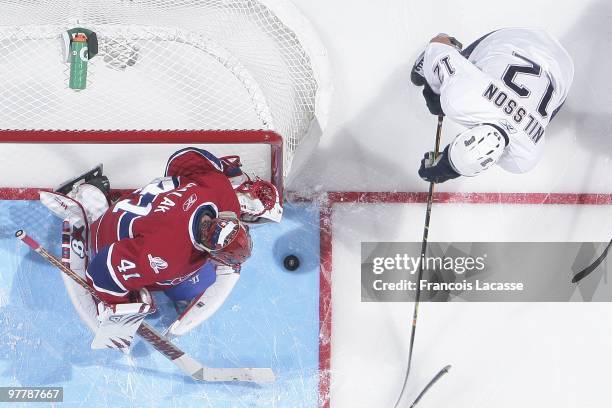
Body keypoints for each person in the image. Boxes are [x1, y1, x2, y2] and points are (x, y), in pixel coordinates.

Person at [40, 147, 282, 349]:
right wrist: (122, 304)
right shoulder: (167, 257)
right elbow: (102, 271)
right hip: (107, 240)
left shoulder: (220, 189)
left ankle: (95, 197)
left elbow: (184, 158)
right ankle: (93, 210)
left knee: (184, 269)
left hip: (133, 211)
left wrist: (173, 202)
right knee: (191, 284)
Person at [411, 28, 574, 183]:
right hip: (517, 42)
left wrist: (453, 165)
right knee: (444, 84)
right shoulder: (458, 98)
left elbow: (481, 152)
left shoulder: (526, 158)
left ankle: (441, 73)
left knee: (540, 118)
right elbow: (439, 43)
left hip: (562, 70)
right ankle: (435, 70)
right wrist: (435, 88)